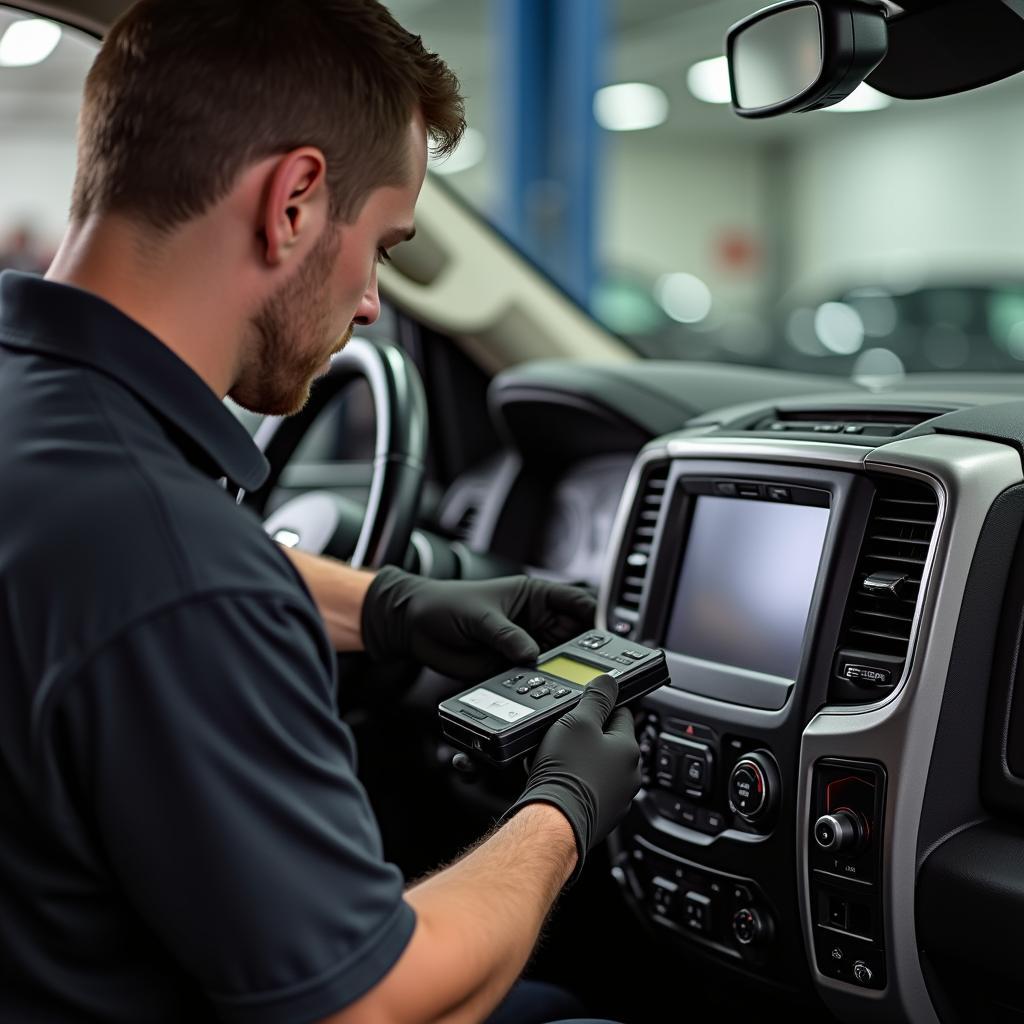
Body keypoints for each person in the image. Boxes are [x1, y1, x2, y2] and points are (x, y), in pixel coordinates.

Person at [0, 2, 641, 1023]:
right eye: (383, 246)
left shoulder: (43, 419)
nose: (375, 303)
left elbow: (88, 585)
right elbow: (372, 1006)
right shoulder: (175, 565)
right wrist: (563, 807)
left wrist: (386, 603)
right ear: (294, 201)